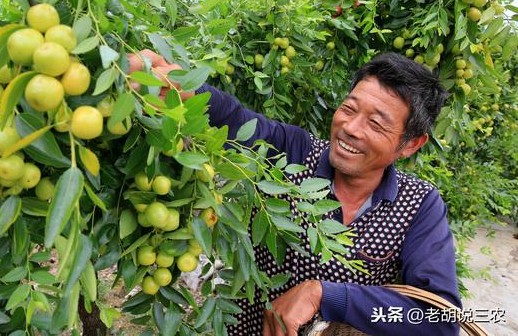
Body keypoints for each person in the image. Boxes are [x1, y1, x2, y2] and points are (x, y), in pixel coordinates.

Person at [128, 51, 461, 336]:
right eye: (349, 108)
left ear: (411, 144)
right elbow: (238, 120)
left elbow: (441, 319)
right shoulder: (296, 153)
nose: (350, 128)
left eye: (376, 124)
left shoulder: (419, 205)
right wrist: (184, 88)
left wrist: (327, 296)